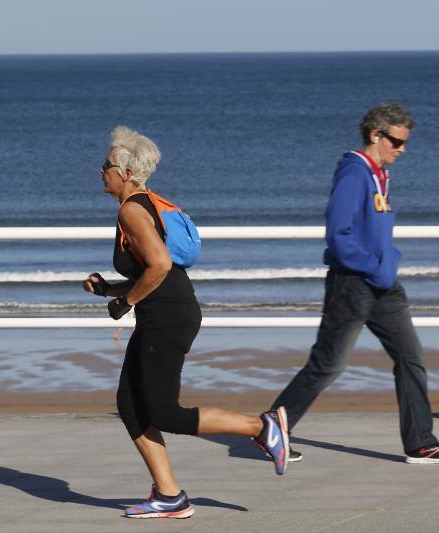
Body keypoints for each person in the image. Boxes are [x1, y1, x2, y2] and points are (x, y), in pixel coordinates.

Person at [83, 126, 289, 519]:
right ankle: (169, 494)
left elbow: (160, 266)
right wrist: (110, 289)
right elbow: (154, 268)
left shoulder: (131, 209)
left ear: (125, 172)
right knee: (130, 404)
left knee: (165, 413)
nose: (100, 170)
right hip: (165, 311)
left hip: (168, 317)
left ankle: (261, 428)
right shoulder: (140, 204)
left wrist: (126, 301)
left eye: (106, 164)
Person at [266, 103, 439, 464]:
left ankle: (421, 443)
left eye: (404, 142)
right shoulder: (354, 174)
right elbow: (338, 235)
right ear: (375, 135)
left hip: (383, 287)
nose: (402, 149)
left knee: (411, 358)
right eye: (396, 141)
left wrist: (387, 265)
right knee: (328, 364)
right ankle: (271, 427)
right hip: (353, 284)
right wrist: (374, 266)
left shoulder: (379, 174)